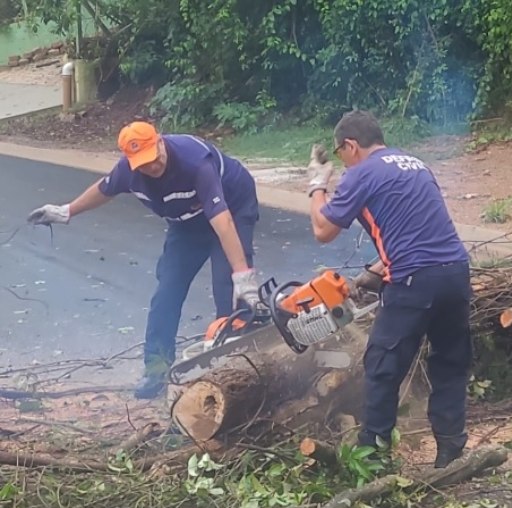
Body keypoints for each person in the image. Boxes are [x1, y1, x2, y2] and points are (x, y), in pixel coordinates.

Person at [26, 121, 262, 399]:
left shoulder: (195, 162)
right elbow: (104, 189)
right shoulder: (130, 171)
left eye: (153, 157)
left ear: (160, 141)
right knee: (167, 292)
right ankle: (156, 370)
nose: (152, 166)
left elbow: (222, 222)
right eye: (143, 163)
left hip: (231, 209)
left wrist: (242, 276)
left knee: (229, 293)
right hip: (186, 223)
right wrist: (66, 212)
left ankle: (243, 369)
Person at [306, 109, 473, 468]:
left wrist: (317, 185)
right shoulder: (416, 164)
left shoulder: (361, 173)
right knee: (449, 363)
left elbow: (323, 230)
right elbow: (418, 230)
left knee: (382, 367)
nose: (343, 163)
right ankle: (451, 453)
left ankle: (374, 457)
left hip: (414, 280)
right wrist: (372, 273)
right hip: (456, 273)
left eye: (340, 155)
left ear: (350, 145)